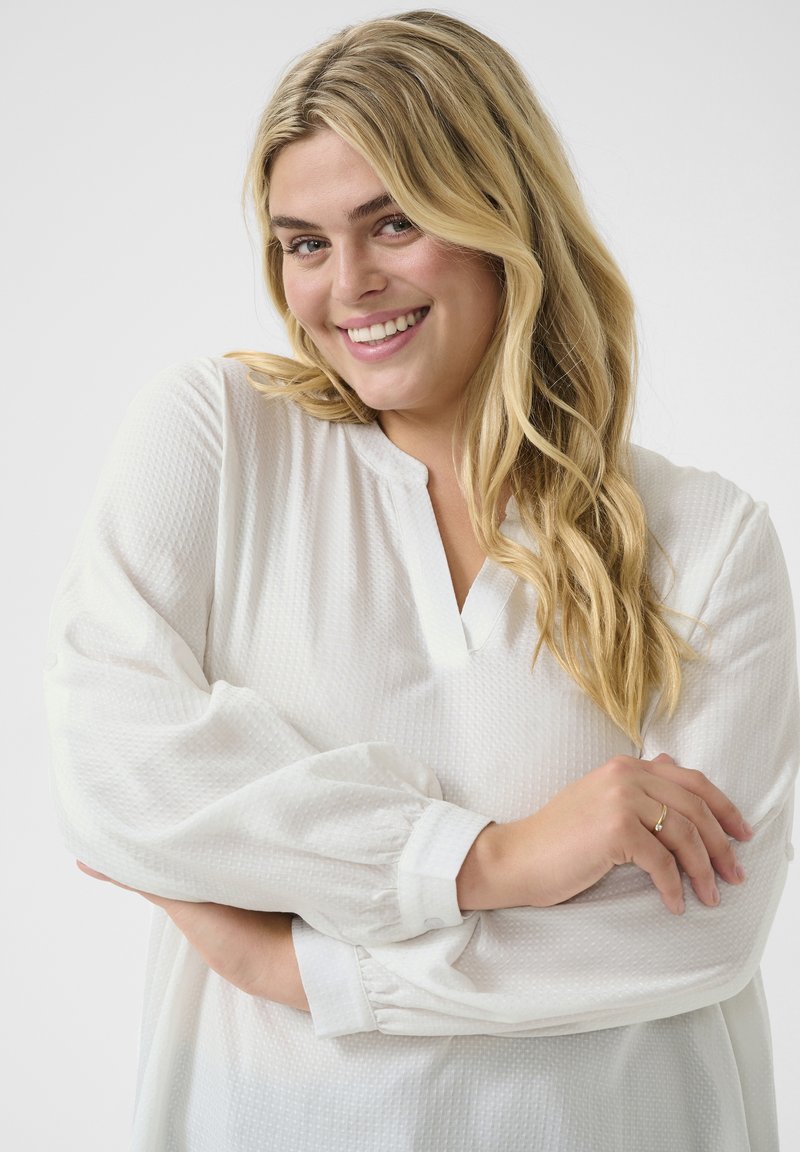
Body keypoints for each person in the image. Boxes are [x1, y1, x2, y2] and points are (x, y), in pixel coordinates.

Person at [43, 10, 798, 1151]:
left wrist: (303, 967)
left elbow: (692, 937)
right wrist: (487, 860)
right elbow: (113, 771)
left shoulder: (707, 540)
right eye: (304, 243)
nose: (348, 285)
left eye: (393, 223)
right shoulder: (221, 438)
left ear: (502, 218)